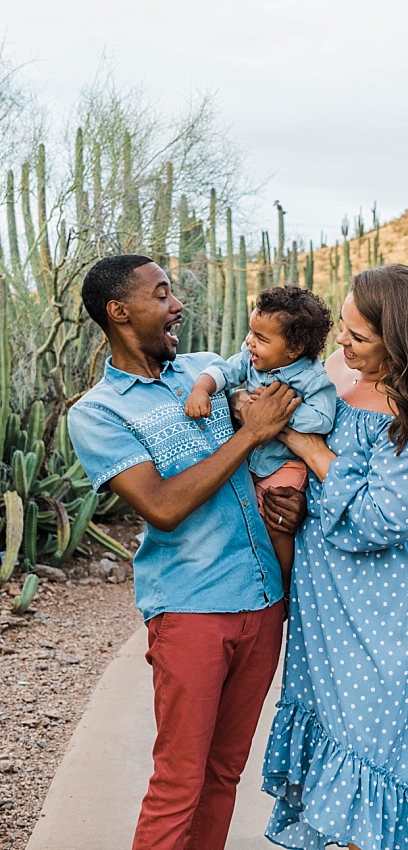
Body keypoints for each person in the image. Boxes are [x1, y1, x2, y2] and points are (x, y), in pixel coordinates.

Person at [67, 254, 302, 849]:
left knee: (223, 776)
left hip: (264, 598)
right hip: (192, 610)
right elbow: (163, 505)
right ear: (119, 311)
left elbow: (283, 417)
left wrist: (284, 499)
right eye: (162, 293)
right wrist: (251, 433)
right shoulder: (98, 412)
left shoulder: (206, 371)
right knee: (179, 781)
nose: (177, 305)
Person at [257, 264, 408, 850]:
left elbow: (380, 519)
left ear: (398, 340)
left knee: (377, 743)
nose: (341, 344)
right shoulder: (332, 371)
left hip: (390, 598)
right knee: (337, 731)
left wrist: (303, 445)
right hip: (330, 594)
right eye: (342, 329)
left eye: (358, 336)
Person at [185, 284, 336, 592]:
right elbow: (222, 371)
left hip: (284, 466)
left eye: (261, 338)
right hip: (251, 460)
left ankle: (281, 584)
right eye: (251, 332)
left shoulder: (314, 378)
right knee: (238, 514)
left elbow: (322, 419)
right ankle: (239, 578)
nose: (249, 342)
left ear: (293, 349)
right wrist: (201, 389)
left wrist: (280, 411)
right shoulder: (250, 359)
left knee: (276, 519)